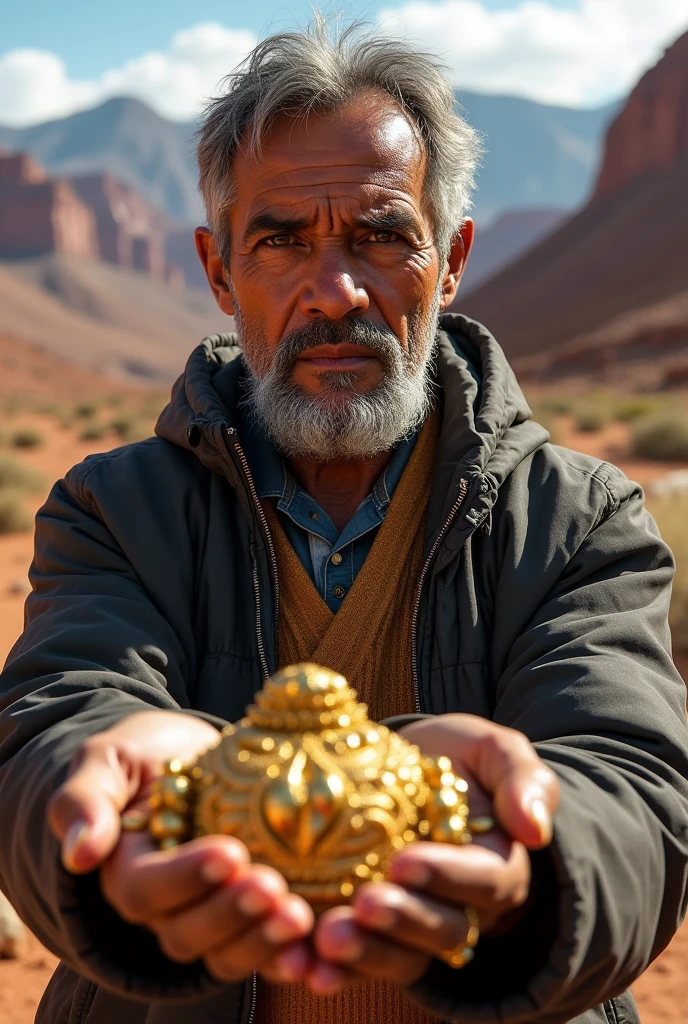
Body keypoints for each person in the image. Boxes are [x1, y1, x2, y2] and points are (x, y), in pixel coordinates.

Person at [1, 19, 687, 1024]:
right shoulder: (114, 512)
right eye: (281, 239)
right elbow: (57, 720)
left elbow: (633, 795)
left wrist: (536, 864)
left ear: (448, 260)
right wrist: (102, 806)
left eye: (379, 234)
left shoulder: (581, 520)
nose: (336, 291)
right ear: (220, 270)